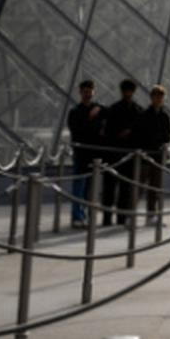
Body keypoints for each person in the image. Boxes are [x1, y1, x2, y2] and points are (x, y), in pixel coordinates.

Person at [103, 79, 144, 224]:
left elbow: (140, 133)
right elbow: (107, 131)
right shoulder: (135, 110)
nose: (127, 93)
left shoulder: (134, 110)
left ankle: (120, 217)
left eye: (129, 91)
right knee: (111, 187)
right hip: (118, 154)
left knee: (124, 188)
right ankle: (108, 218)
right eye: (125, 90)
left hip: (124, 154)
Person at [66, 80, 104, 228]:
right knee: (79, 187)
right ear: (80, 92)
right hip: (82, 154)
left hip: (93, 155)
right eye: (85, 91)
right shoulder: (74, 112)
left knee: (90, 188)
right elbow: (78, 132)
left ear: (93, 92)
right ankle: (77, 216)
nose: (88, 94)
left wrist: (98, 110)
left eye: (90, 91)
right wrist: (91, 120)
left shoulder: (98, 109)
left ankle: (86, 215)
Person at [139, 84, 170, 225]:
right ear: (152, 97)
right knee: (139, 185)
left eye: (161, 96)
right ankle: (130, 213)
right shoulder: (145, 115)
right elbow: (141, 134)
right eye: (156, 96)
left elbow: (168, 135)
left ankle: (151, 214)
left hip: (158, 155)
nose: (158, 99)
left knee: (155, 187)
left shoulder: (165, 116)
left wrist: (162, 141)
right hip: (147, 155)